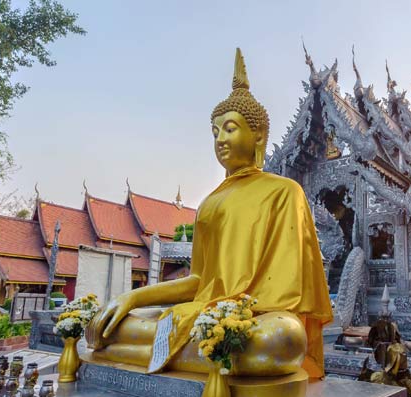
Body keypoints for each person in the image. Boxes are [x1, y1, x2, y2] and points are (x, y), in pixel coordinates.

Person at [86, 49, 333, 378]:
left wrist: (230, 315)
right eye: (215, 132)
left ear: (258, 134)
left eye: (230, 128)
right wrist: (133, 297)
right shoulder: (210, 204)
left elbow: (287, 297)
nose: (220, 140)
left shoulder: (285, 192)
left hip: (258, 319)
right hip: (203, 315)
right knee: (107, 323)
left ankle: (141, 350)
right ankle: (185, 350)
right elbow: (199, 281)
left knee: (282, 339)